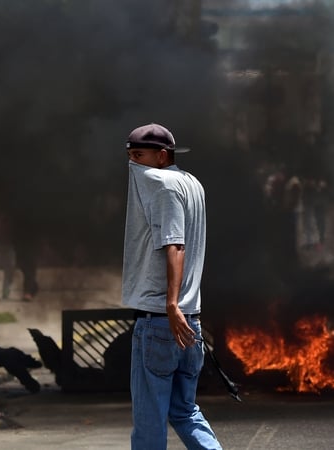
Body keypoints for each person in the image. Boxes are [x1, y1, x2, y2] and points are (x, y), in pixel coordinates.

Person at [121, 123, 221, 450]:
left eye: (139, 155)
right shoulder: (191, 183)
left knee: (149, 423)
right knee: (185, 411)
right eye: (129, 156)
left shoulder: (163, 187)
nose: (132, 164)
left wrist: (171, 304)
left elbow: (175, 246)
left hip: (161, 323)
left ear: (161, 156)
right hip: (191, 322)